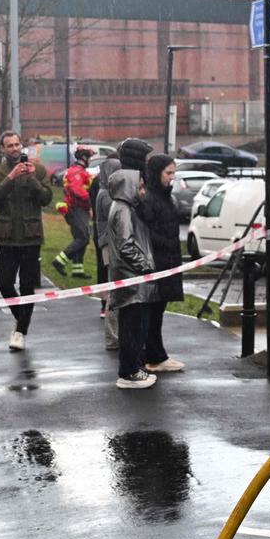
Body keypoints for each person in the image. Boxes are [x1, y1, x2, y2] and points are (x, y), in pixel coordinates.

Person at [0, 130, 53, 351]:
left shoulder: (38, 169)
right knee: (4, 283)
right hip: (7, 238)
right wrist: (11, 177)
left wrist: (32, 178)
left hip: (31, 236)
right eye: (10, 146)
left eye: (17, 145)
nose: (15, 149)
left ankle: (20, 331)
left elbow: (46, 199)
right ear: (2, 149)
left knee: (27, 286)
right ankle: (22, 319)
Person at [106, 168, 158, 389]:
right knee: (132, 327)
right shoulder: (123, 210)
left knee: (134, 326)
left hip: (130, 278)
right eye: (139, 186)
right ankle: (129, 372)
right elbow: (127, 245)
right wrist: (146, 266)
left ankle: (133, 368)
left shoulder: (123, 207)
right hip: (132, 279)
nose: (142, 190)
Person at [140, 154, 186, 373]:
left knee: (157, 312)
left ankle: (156, 353)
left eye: (173, 173)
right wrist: (167, 244)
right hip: (157, 264)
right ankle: (154, 356)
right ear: (156, 173)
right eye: (168, 173)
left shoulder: (164, 197)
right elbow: (147, 232)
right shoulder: (150, 199)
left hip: (167, 262)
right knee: (153, 312)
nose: (172, 178)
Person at [93, 155, 122, 350]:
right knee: (115, 291)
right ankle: (112, 336)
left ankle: (116, 333)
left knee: (118, 288)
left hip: (111, 244)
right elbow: (117, 213)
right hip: (109, 245)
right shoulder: (105, 195)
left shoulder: (108, 192)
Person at [53, 146, 94, 277]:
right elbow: (77, 190)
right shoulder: (76, 172)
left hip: (78, 208)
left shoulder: (77, 170)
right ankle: (59, 261)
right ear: (84, 158)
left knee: (80, 237)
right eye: (89, 157)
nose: (90, 160)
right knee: (83, 238)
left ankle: (78, 270)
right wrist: (91, 200)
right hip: (76, 208)